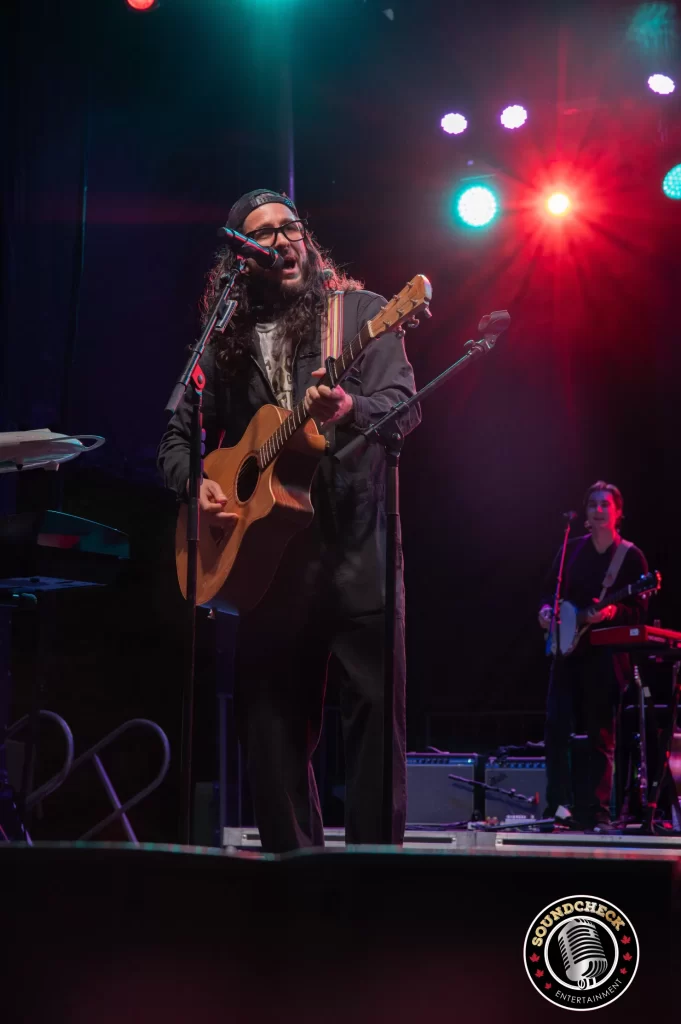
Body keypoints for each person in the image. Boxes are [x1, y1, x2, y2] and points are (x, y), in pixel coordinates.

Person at [158, 188, 420, 852]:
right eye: (263, 235)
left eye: (289, 227)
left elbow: (403, 406)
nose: (281, 241)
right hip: (269, 563)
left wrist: (350, 409)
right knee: (268, 730)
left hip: (356, 550)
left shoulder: (360, 314)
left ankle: (373, 878)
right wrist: (195, 486)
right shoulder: (227, 341)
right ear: (240, 260)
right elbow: (177, 437)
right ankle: (295, 880)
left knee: (372, 727)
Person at [538, 481, 648, 830]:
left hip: (606, 656)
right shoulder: (570, 550)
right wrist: (545, 611)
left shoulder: (630, 556)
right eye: (592, 505)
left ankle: (598, 811)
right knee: (556, 728)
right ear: (585, 514)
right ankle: (558, 807)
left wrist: (615, 612)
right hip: (567, 653)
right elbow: (549, 593)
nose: (598, 510)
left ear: (618, 513)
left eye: (605, 505)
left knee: (602, 735)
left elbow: (639, 612)